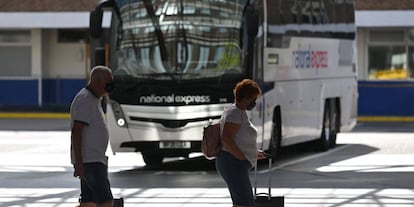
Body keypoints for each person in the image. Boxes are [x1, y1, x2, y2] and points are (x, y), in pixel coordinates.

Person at [216, 79, 268, 207]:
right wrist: (242, 157)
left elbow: (238, 139)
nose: (254, 103)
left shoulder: (237, 113)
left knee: (241, 202)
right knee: (245, 202)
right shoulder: (235, 113)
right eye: (252, 99)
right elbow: (226, 138)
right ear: (245, 97)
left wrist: (252, 153)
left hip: (233, 163)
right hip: (233, 163)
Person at [70, 65, 115, 207]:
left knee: (89, 201)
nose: (110, 88)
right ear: (97, 83)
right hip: (90, 162)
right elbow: (76, 131)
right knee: (105, 201)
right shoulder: (86, 100)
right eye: (108, 84)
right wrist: (79, 163)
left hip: (93, 160)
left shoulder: (93, 99)